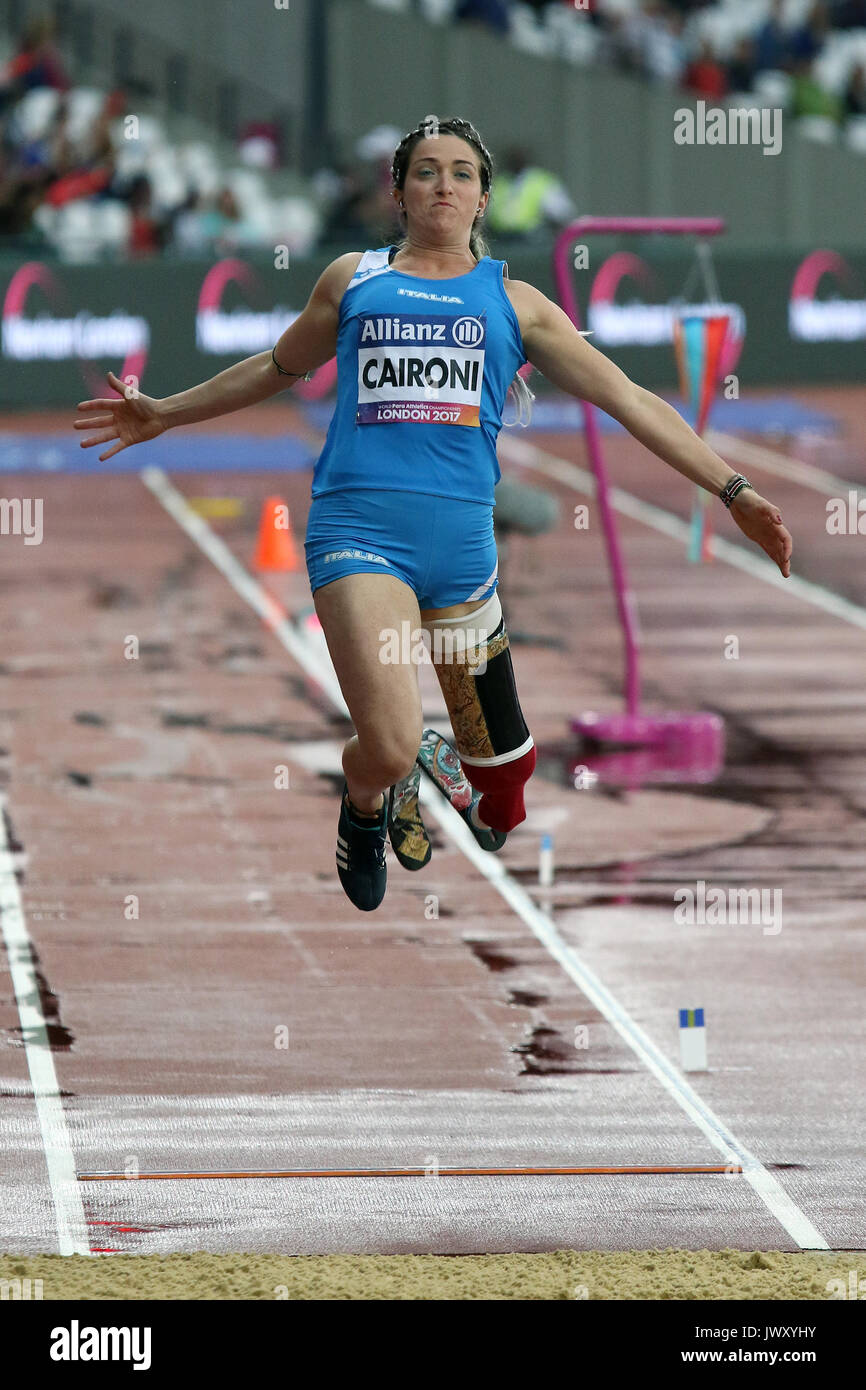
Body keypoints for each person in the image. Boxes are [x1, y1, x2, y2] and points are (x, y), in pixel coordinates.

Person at [73, 116, 793, 914]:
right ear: (399, 191)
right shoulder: (355, 280)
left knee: (504, 806)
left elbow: (627, 398)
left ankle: (431, 765)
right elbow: (276, 366)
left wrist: (734, 491)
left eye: (460, 173)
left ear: (484, 197)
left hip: (462, 557)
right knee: (383, 741)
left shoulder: (518, 306)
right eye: (425, 172)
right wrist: (164, 413)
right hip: (359, 536)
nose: (442, 185)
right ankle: (368, 797)